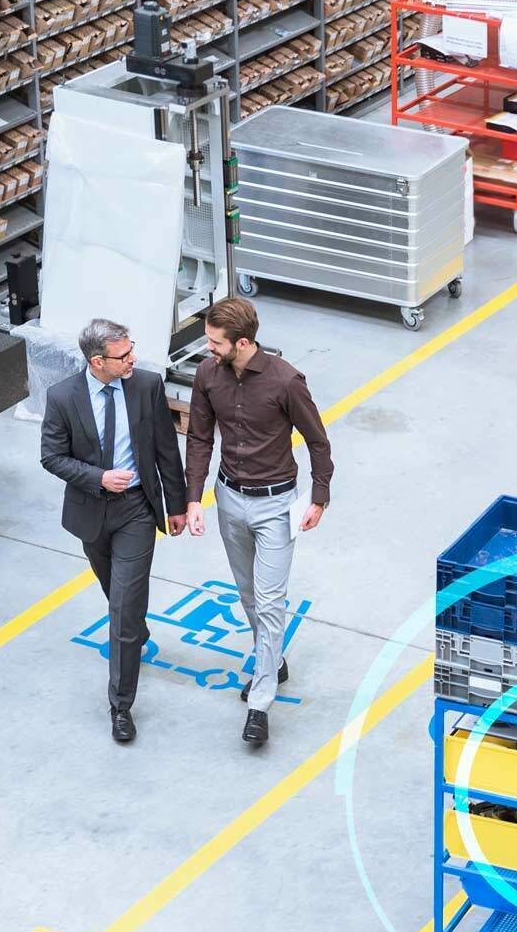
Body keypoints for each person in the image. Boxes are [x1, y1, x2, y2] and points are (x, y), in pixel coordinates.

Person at [181, 295, 334, 748]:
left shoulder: (287, 382)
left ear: (242, 342)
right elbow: (199, 439)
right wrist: (195, 499)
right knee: (248, 594)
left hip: (275, 506)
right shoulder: (208, 375)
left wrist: (319, 497)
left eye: (214, 342)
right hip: (229, 499)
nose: (207, 349)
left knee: (269, 601)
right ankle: (274, 658)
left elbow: (318, 441)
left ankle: (260, 702)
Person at [40, 318, 189, 745]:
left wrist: (174, 505)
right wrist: (97, 477)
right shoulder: (63, 397)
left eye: (132, 350)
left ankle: (120, 706)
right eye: (123, 356)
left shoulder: (146, 386)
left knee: (122, 609)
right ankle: (135, 631)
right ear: (97, 361)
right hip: (92, 513)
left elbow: (165, 448)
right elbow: (52, 457)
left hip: (137, 511)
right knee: (117, 594)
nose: (133, 360)